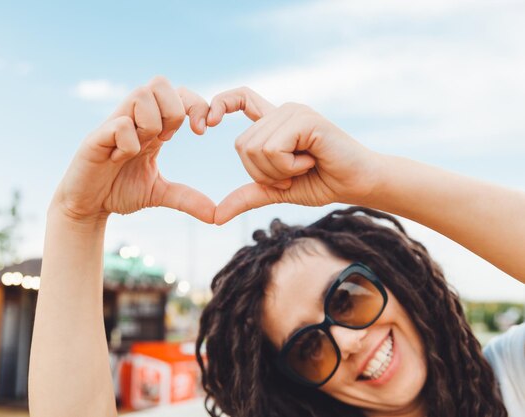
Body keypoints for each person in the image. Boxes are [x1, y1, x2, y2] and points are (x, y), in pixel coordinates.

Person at [28, 76, 525, 417]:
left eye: (348, 298)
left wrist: (371, 177)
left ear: (397, 280)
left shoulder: (512, 377)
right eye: (309, 347)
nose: (347, 342)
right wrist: (77, 218)